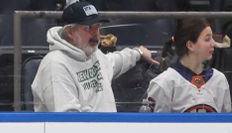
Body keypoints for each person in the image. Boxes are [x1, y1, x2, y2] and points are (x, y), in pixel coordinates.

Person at [31, 0, 159, 112]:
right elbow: (68, 121)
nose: (95, 34)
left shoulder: (93, 53)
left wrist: (138, 53)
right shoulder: (55, 65)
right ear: (70, 32)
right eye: (88, 28)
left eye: (97, 27)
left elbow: (113, 62)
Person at [142, 18, 231, 113]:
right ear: (190, 45)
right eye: (207, 39)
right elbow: (153, 125)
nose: (213, 43)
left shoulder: (220, 80)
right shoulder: (163, 83)